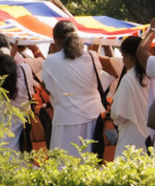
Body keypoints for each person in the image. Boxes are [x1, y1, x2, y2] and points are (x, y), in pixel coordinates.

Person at [40, 19, 117, 156]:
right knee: (90, 164)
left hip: (65, 120)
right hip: (92, 118)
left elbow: (48, 89)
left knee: (64, 164)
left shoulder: (51, 61)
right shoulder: (92, 57)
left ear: (55, 40)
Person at [109, 35, 153, 155]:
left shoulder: (128, 79)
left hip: (131, 134)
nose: (123, 60)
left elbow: (117, 114)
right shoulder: (153, 76)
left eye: (123, 56)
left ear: (129, 56)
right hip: (151, 134)